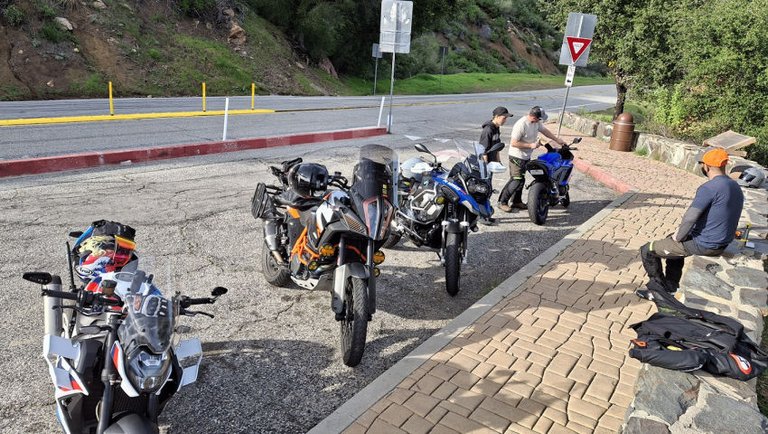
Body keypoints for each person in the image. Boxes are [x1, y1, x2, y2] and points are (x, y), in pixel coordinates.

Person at [635, 148, 744, 300]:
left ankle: (657, 292)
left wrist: (678, 237)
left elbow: (690, 218)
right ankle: (671, 286)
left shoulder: (709, 188)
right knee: (671, 242)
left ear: (706, 166)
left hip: (706, 244)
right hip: (721, 241)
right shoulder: (735, 187)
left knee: (648, 249)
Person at [497, 106, 566, 212]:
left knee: (521, 179)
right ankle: (502, 202)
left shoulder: (536, 123)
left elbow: (545, 131)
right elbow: (514, 143)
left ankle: (516, 201)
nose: (540, 121)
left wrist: (557, 140)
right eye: (539, 119)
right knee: (516, 180)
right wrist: (531, 145)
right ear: (534, 117)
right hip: (516, 156)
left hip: (526, 156)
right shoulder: (521, 124)